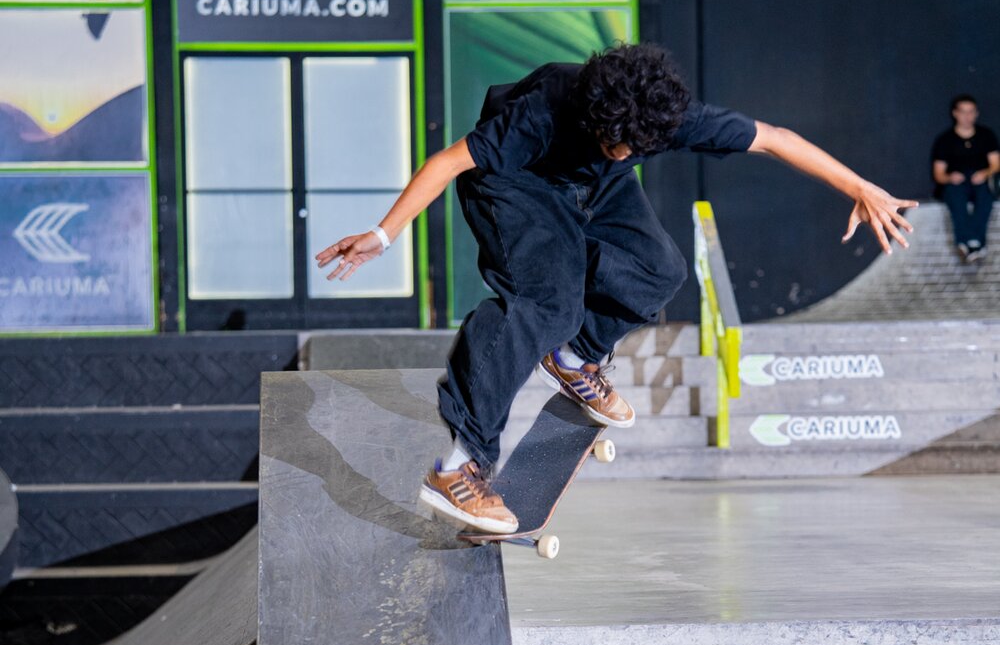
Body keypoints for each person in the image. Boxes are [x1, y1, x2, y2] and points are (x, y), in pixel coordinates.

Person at [316, 43, 916, 534]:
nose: (627, 152)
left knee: (661, 269)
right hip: (517, 183)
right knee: (545, 303)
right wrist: (383, 235)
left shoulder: (665, 117)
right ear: (598, 120)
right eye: (618, 144)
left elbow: (774, 138)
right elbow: (447, 163)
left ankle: (575, 357)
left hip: (595, 188)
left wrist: (860, 187)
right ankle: (459, 467)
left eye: (637, 149)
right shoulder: (544, 111)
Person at [931, 95, 999, 264]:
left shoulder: (986, 136)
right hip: (956, 184)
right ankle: (969, 242)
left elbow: (996, 164)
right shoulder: (945, 140)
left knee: (986, 195)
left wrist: (984, 173)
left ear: (976, 113)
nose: (967, 116)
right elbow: (938, 174)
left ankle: (972, 242)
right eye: (963, 112)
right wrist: (950, 177)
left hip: (980, 181)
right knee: (956, 197)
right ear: (955, 113)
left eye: (971, 112)